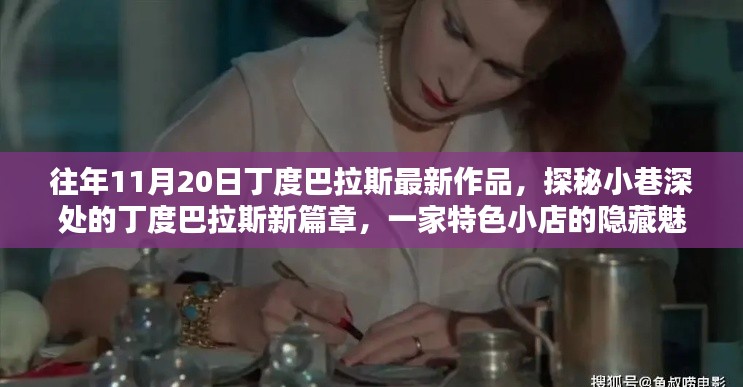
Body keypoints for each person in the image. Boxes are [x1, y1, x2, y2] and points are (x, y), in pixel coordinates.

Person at [43, 0, 677, 367]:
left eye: (505, 69)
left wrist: (494, 330)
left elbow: (651, 317)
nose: (456, 83)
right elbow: (73, 297)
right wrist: (226, 313)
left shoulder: (561, 133)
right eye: (456, 30)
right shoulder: (268, 99)